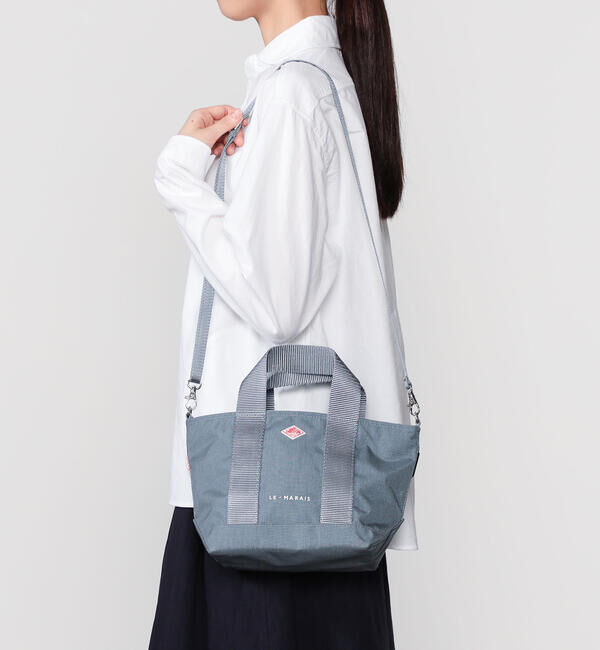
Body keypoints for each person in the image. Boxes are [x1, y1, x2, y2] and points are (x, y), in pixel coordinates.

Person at [149, 2, 417, 648]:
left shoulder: (293, 92)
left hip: (263, 512)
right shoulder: (316, 81)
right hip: (309, 503)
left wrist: (181, 178)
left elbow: (276, 303)